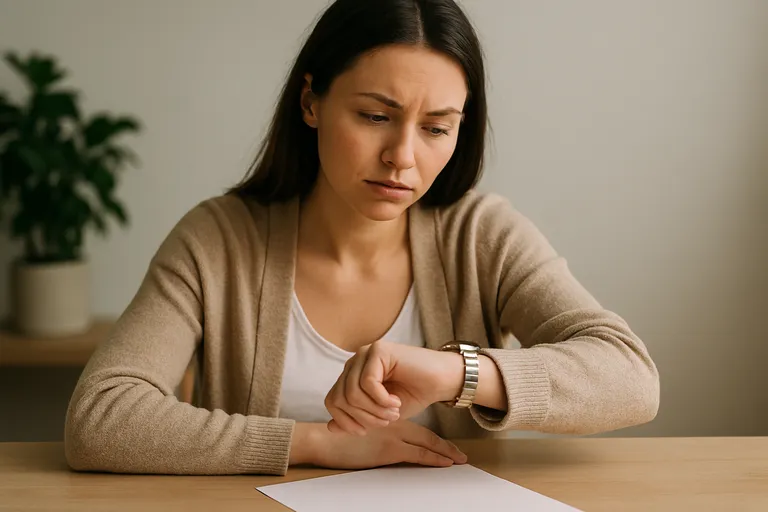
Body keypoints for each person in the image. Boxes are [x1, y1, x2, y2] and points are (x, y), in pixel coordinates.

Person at [64, 0, 659, 476]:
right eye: (376, 116)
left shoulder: (481, 234)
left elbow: (630, 377)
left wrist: (459, 373)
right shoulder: (218, 241)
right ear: (311, 101)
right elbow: (100, 418)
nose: (402, 157)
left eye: (436, 128)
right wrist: (317, 444)